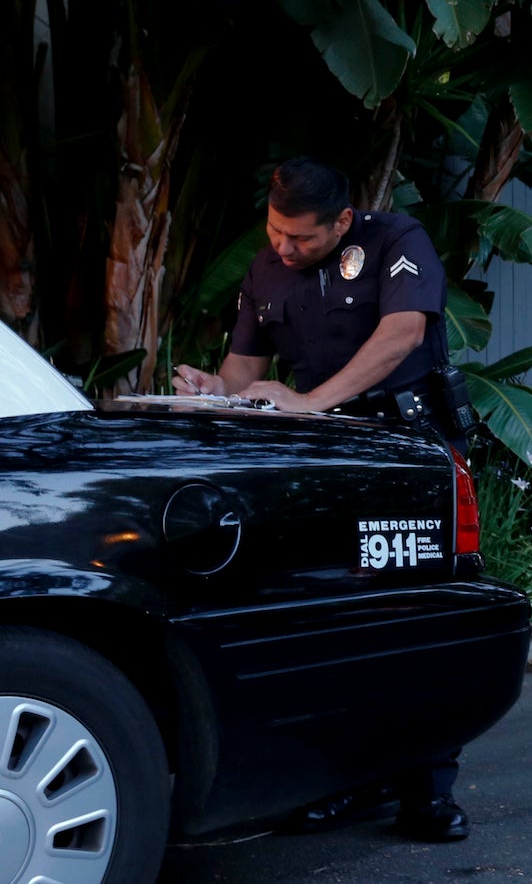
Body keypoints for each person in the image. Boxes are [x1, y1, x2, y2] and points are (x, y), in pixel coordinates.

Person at [173, 157, 473, 842]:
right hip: (326, 463)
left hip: (409, 451)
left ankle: (429, 790)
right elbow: (241, 372)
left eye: (300, 238)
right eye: (276, 232)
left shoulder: (397, 241)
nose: (284, 248)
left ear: (340, 220)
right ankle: (347, 783)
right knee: (343, 621)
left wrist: (307, 401)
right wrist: (208, 388)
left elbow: (403, 334)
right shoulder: (264, 271)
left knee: (418, 618)